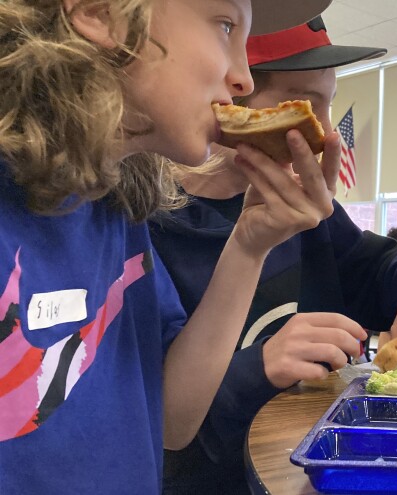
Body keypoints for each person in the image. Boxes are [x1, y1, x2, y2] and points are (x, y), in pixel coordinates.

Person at [0, 0, 336, 493]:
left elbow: (173, 422)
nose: (243, 79)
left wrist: (248, 248)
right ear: (98, 13)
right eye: (225, 26)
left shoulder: (113, 202)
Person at [148, 17, 397, 493]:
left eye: (327, 106)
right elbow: (157, 422)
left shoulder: (309, 213)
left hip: (312, 476)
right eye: (301, 104)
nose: (321, 132)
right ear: (228, 97)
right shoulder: (144, 226)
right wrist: (258, 367)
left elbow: (377, 270)